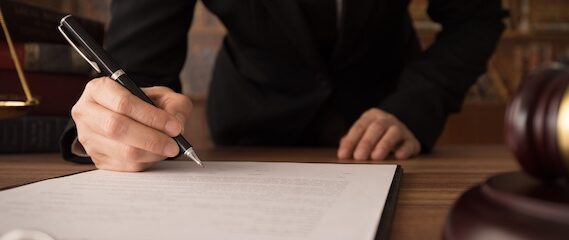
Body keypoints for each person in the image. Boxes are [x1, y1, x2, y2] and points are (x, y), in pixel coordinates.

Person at [61, 0, 505, 172]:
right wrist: (111, 123)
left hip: (391, 132)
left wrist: (416, 102)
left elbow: (476, 16)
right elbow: (135, 73)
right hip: (250, 129)